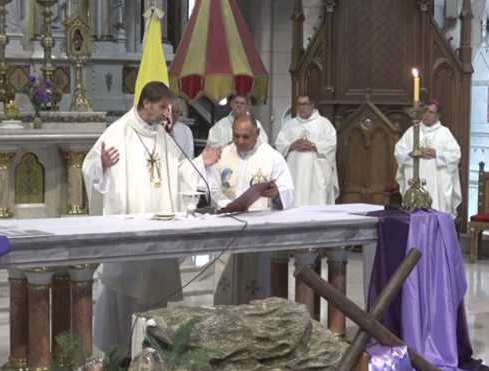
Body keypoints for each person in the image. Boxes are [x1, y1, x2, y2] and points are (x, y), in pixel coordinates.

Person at [82, 81, 220, 353]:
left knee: (154, 295)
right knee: (124, 293)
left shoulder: (161, 135)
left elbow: (179, 171)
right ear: (146, 103)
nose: (166, 112)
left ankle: (152, 349)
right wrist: (103, 165)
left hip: (159, 226)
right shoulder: (118, 131)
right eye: (161, 106)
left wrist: (202, 161)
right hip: (130, 227)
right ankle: (119, 352)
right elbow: (89, 166)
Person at [200, 114, 294, 303]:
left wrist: (275, 194)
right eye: (236, 136)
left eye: (245, 137)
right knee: (226, 286)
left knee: (256, 289)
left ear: (257, 133)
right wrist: (221, 205)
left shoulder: (272, 157)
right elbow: (211, 187)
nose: (240, 141)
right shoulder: (223, 154)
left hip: (258, 231)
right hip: (228, 228)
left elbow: (288, 193)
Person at [394, 100, 462, 215]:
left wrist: (437, 154)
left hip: (437, 182)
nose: (427, 115)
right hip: (414, 180)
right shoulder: (412, 131)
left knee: (436, 210)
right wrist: (414, 153)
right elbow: (399, 153)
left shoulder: (444, 132)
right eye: (425, 112)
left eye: (431, 112)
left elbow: (455, 156)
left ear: (438, 115)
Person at [275, 95, 339, 207]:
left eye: (305, 104)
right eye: (299, 104)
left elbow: (331, 144)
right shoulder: (289, 125)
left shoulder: (324, 124)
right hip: (295, 172)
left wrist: (314, 145)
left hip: (317, 173)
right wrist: (291, 145)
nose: (302, 107)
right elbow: (279, 144)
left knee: (317, 201)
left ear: (312, 105)